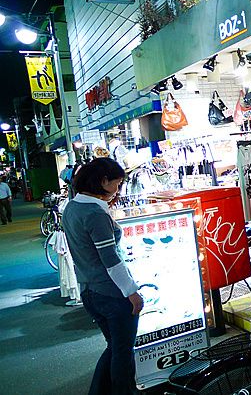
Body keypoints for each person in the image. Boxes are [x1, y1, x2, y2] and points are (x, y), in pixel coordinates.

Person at [62, 158, 142, 394]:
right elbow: (110, 259)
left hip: (89, 291)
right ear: (103, 181)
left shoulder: (72, 208)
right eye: (117, 183)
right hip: (112, 294)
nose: (118, 189)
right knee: (123, 353)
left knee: (115, 347)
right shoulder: (95, 213)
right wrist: (132, 292)